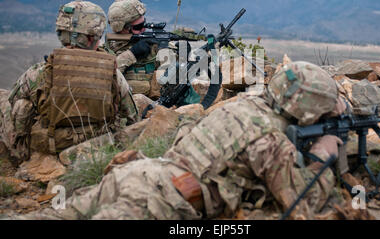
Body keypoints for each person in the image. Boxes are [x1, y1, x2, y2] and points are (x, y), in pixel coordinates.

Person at [16, 61, 346, 220]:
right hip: (159, 202)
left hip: (137, 175)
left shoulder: (243, 105)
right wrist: (323, 156)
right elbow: (301, 204)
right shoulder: (272, 142)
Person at [0, 0, 139, 165]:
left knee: (15, 101)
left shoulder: (39, 72)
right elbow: (132, 117)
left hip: (50, 144)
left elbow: (14, 102)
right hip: (96, 146)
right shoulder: (112, 73)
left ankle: (19, 155)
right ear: (92, 37)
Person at [105, 0, 160, 98]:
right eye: (138, 27)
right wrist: (131, 54)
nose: (144, 28)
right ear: (121, 28)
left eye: (144, 23)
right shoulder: (106, 51)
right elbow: (105, 79)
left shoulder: (152, 46)